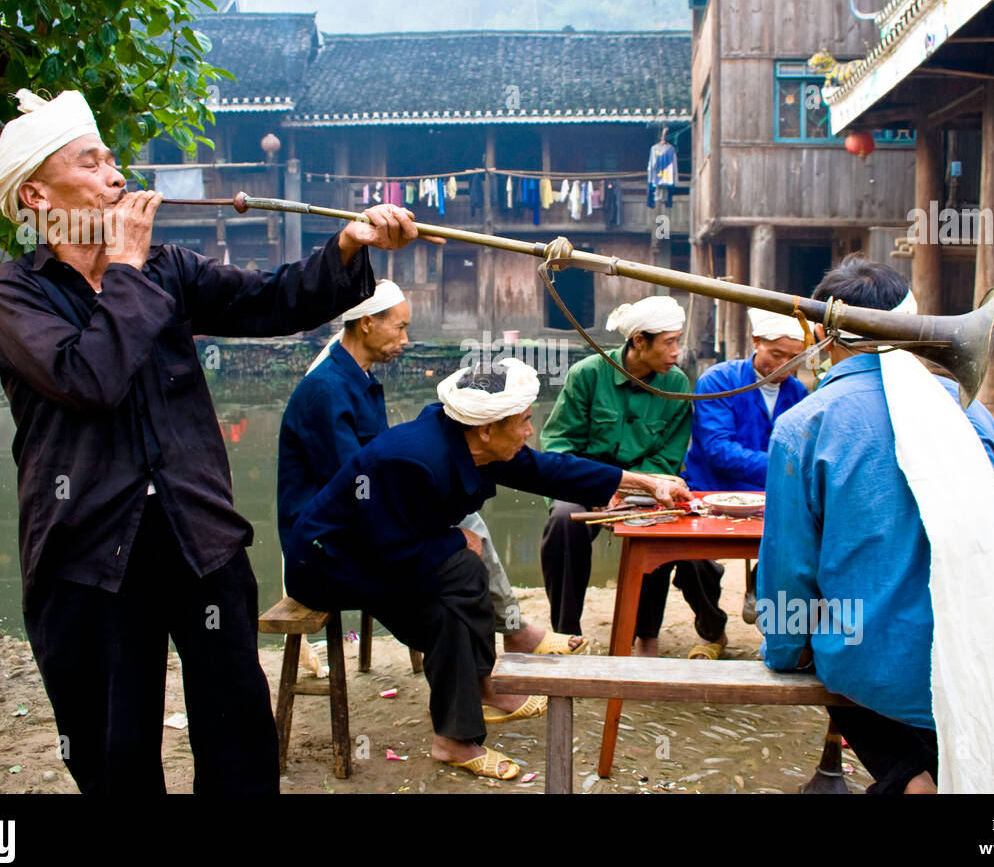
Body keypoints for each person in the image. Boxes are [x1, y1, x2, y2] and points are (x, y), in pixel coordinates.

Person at [0, 88, 435, 794]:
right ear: (36, 195)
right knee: (113, 747)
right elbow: (89, 377)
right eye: (92, 163)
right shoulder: (15, 296)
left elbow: (274, 300)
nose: (116, 177)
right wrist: (125, 271)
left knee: (237, 730)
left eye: (112, 161)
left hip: (197, 533)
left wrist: (349, 245)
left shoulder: (171, 270)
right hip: (88, 549)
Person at [282, 359, 690, 779]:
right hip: (327, 563)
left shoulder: (475, 443)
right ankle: (473, 702)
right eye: (525, 421)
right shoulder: (412, 461)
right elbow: (383, 545)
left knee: (457, 592)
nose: (530, 431)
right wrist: (456, 540)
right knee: (459, 576)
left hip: (383, 552)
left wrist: (644, 482)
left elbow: (549, 470)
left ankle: (461, 724)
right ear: (487, 428)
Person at [758, 256, 994, 794]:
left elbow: (788, 572)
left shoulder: (805, 424)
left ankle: (913, 781)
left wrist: (784, 649)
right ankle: (919, 777)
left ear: (818, 331)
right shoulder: (971, 414)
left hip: (881, 665)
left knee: (850, 643)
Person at [277, 281, 584, 656]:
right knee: (464, 530)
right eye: (400, 327)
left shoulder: (360, 379)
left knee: (465, 524)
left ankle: (500, 640)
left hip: (362, 517)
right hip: (329, 538)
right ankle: (500, 642)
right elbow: (354, 484)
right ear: (368, 323)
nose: (406, 338)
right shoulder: (327, 391)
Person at [539, 296, 724, 659]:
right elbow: (559, 446)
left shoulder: (675, 383)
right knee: (563, 520)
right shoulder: (588, 374)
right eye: (669, 341)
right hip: (586, 485)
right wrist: (598, 485)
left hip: (647, 487)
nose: (677, 351)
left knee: (660, 525)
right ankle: (567, 632)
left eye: (678, 340)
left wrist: (632, 487)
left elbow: (668, 457)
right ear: (640, 341)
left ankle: (646, 634)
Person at [683, 307, 808, 625]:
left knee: (803, 541)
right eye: (777, 354)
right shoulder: (719, 380)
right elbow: (717, 449)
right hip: (711, 490)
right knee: (692, 562)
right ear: (756, 342)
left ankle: (767, 599)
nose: (784, 366)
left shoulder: (798, 393)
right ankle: (711, 625)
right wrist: (784, 468)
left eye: (795, 357)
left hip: (771, 496)